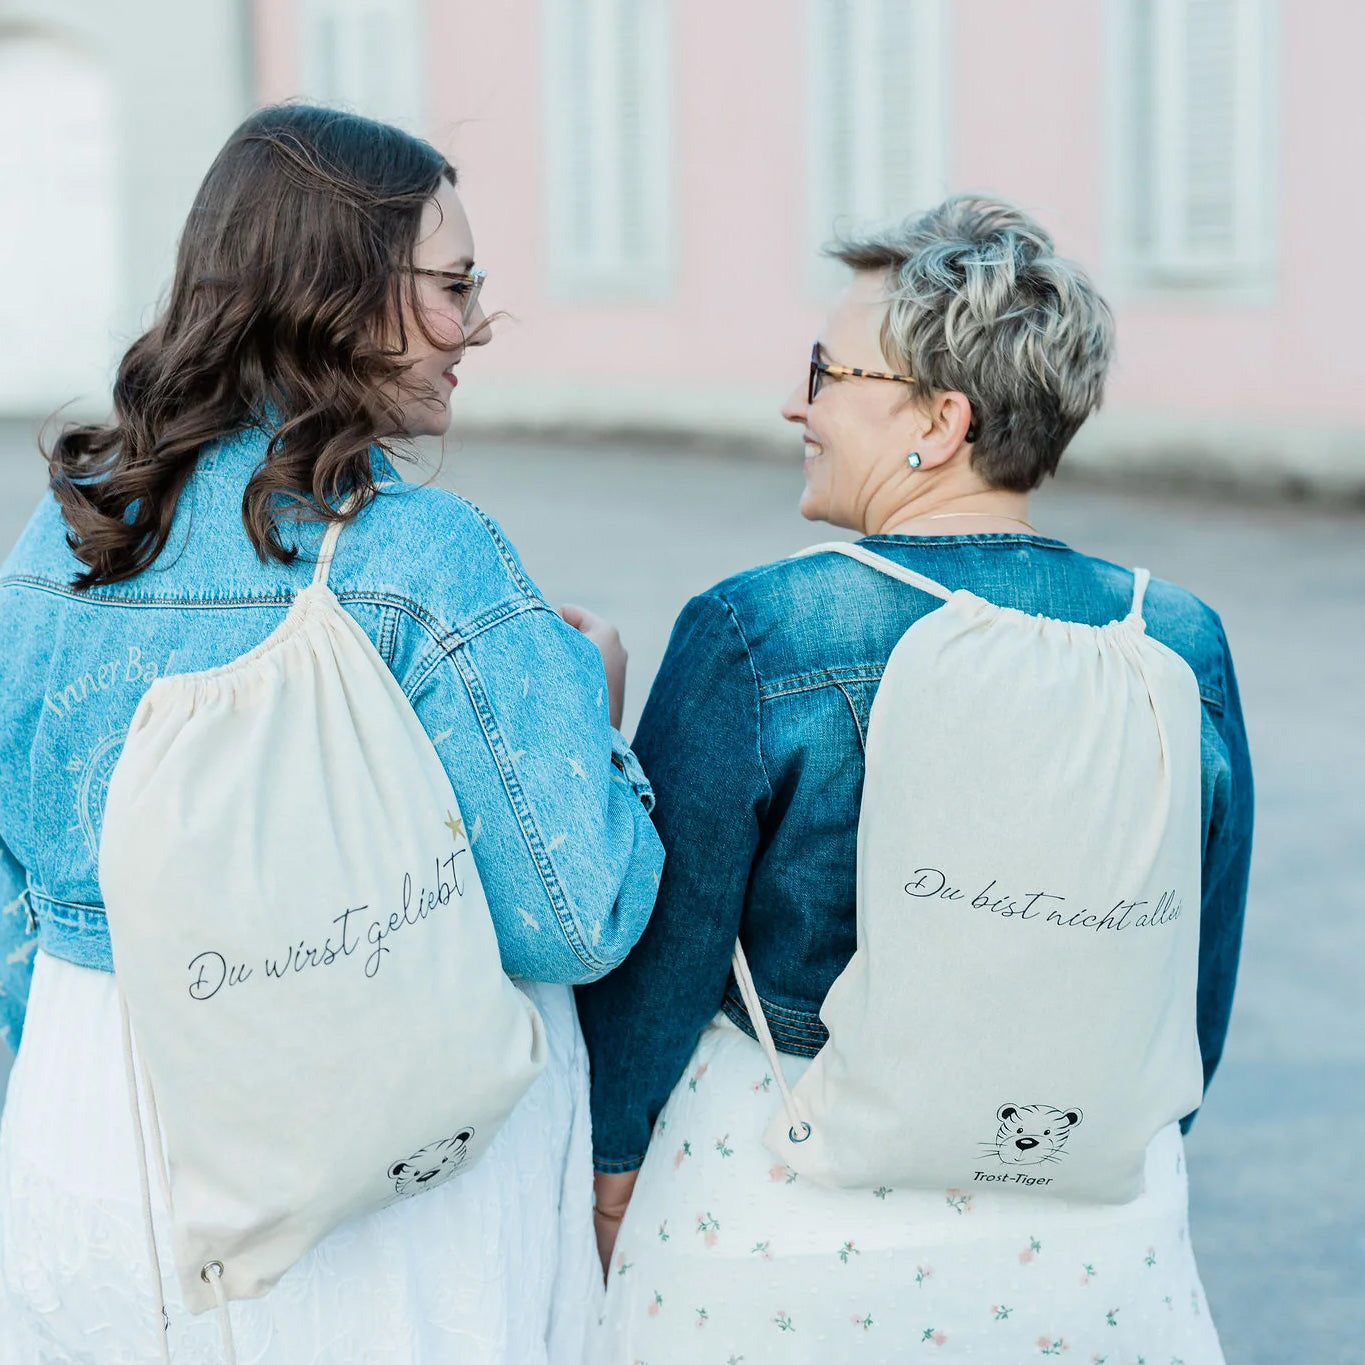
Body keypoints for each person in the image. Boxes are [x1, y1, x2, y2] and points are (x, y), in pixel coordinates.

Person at [0, 105, 662, 1363]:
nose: (474, 328)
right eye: (453, 285)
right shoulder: (423, 558)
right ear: (338, 287)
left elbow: (16, 896)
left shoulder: (67, 536)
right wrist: (593, 707)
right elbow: (574, 919)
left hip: (81, 1153)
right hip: (373, 1195)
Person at [578, 194, 1252, 1363]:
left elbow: (661, 964)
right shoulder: (1177, 640)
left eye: (826, 371)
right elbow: (1197, 969)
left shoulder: (759, 629)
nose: (798, 401)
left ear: (939, 422)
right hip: (1094, 1252)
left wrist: (605, 1175)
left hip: (787, 1233)